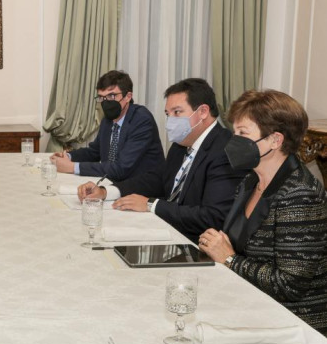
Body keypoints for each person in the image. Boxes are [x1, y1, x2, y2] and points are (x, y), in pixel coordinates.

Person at [198, 90, 327, 335]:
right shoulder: (251, 180)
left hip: (292, 326)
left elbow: (290, 285)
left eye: (242, 134)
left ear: (275, 140)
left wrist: (228, 259)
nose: (233, 141)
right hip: (249, 305)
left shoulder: (299, 194)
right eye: (234, 132)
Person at [77, 78, 247, 243]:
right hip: (165, 229)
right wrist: (106, 191)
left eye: (177, 112)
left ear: (202, 112)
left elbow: (212, 216)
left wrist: (151, 204)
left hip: (194, 243)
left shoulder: (225, 151)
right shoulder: (182, 144)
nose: (170, 121)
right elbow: (158, 179)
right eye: (168, 114)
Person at [50, 70, 164, 181]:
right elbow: (94, 152)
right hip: (111, 182)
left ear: (128, 97)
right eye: (102, 97)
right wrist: (68, 157)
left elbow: (121, 168)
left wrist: (72, 167)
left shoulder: (141, 119)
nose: (106, 102)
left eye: (111, 96)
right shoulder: (108, 120)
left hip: (139, 187)